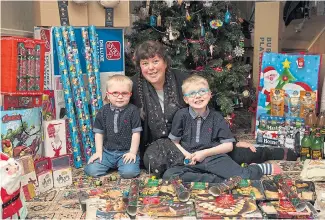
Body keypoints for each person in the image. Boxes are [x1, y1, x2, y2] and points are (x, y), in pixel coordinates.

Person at [130, 40, 294, 177]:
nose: (151, 67)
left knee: (236, 153)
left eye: (155, 61)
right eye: (145, 63)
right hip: (164, 145)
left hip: (197, 137)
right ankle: (216, 174)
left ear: (165, 63)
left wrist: (233, 140)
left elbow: (207, 108)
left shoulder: (183, 80)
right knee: (156, 164)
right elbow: (125, 115)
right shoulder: (134, 87)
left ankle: (273, 153)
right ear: (140, 67)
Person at [163, 75, 282, 183]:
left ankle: (257, 168)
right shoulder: (181, 115)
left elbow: (228, 146)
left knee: (244, 178)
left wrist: (204, 153)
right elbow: (174, 142)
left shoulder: (216, 117)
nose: (198, 96)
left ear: (209, 95)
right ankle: (220, 179)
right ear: (186, 99)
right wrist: (188, 155)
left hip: (213, 158)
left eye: (202, 91)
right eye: (192, 93)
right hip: (190, 160)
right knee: (169, 176)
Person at [84, 75, 142, 178]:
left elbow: (136, 133)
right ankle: (110, 165)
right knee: (91, 170)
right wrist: (98, 152)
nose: (120, 97)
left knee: (129, 173)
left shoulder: (133, 111)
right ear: (108, 95)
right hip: (107, 153)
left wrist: (132, 153)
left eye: (124, 93)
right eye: (115, 93)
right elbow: (99, 133)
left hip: (126, 152)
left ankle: (124, 165)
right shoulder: (103, 111)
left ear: (130, 94)